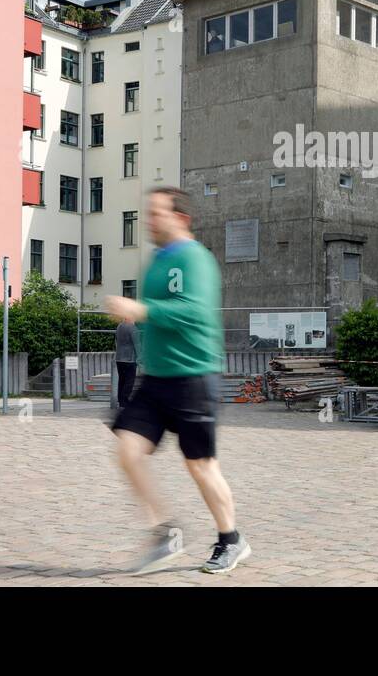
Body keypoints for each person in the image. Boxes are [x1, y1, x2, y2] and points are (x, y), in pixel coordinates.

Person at [103, 186, 251, 575]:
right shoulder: (156, 260)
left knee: (200, 465)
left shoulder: (195, 258)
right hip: (155, 380)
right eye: (147, 213)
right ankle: (165, 533)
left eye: (157, 214)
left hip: (193, 377)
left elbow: (195, 311)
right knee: (127, 451)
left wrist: (141, 309)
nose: (148, 221)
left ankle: (231, 539)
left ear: (181, 218)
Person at [114, 319, 139, 409]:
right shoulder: (133, 328)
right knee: (129, 381)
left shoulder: (119, 326)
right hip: (130, 359)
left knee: (122, 380)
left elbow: (116, 340)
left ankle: (121, 401)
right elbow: (137, 344)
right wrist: (140, 358)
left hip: (119, 358)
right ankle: (124, 401)